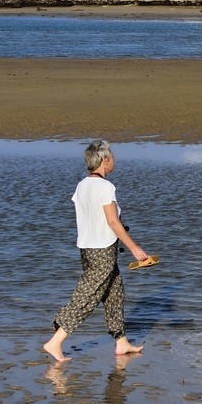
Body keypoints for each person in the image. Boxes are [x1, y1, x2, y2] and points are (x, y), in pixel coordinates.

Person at [43, 140, 152, 362]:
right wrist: (135, 249)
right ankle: (55, 342)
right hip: (102, 250)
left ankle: (121, 342)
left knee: (115, 293)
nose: (114, 160)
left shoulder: (82, 185)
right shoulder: (105, 187)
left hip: (87, 249)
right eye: (111, 156)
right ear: (104, 160)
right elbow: (113, 222)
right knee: (88, 297)